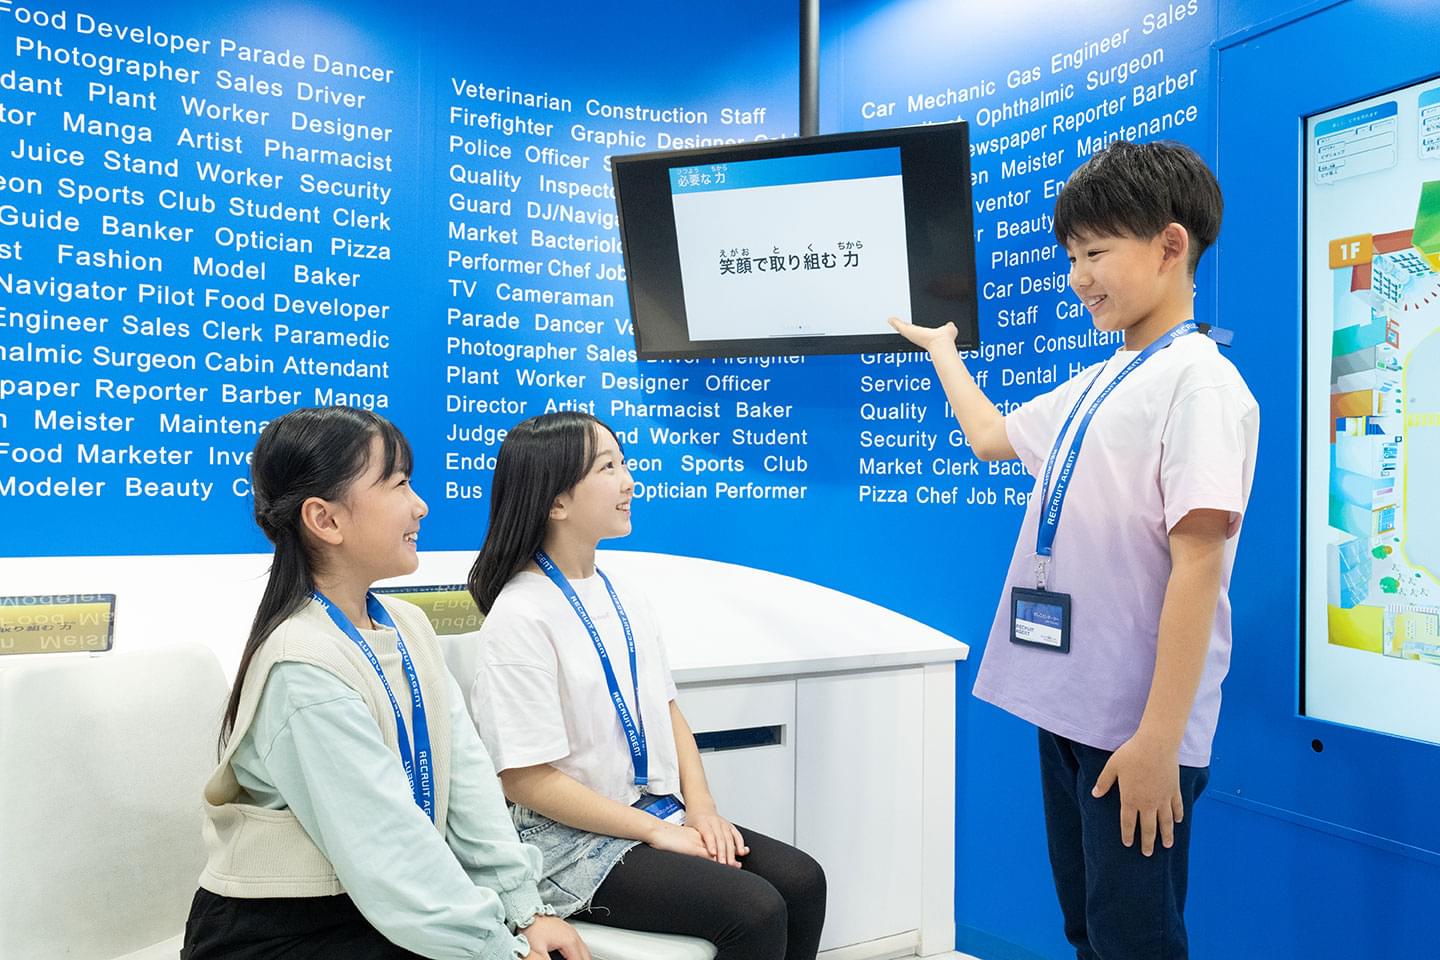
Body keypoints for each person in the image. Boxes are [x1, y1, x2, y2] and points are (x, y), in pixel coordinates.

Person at [891, 140, 1259, 958]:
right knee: (1089, 927)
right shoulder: (1106, 377)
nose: (1077, 277)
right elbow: (991, 438)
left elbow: (1199, 566)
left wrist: (1159, 741)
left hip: (1137, 726)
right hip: (1072, 708)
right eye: (1071, 256)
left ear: (1170, 246)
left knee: (1136, 938)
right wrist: (943, 351)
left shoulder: (1199, 382)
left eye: (1095, 253)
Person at [183, 405, 588, 960]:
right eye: (397, 484)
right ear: (325, 520)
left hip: (387, 907)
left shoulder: (407, 626)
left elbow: (466, 780)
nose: (420, 505)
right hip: (285, 929)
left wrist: (524, 908)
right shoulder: (301, 666)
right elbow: (385, 850)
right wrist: (496, 948)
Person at [464, 411, 827, 960]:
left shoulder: (624, 595)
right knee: (755, 911)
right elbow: (524, 779)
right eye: (607, 468)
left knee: (802, 881)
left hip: (656, 812)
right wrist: (654, 832)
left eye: (623, 463)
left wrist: (702, 808)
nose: (629, 481)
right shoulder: (520, 615)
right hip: (568, 843)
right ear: (556, 503)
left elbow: (667, 710)